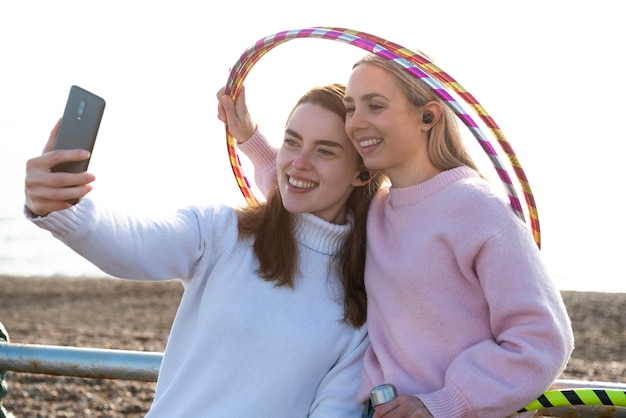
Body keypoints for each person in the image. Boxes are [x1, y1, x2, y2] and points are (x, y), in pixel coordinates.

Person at [220, 53, 575, 417]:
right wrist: (250, 138)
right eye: (350, 108)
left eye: (374, 106)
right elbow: (299, 193)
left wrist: (444, 403)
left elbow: (541, 339)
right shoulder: (376, 209)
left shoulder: (477, 209)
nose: (355, 124)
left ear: (428, 116)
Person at [24, 84, 384, 417]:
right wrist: (61, 206)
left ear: (362, 174)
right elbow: (133, 244)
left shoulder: (363, 303)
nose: (298, 162)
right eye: (292, 142)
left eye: (324, 151)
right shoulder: (224, 232)